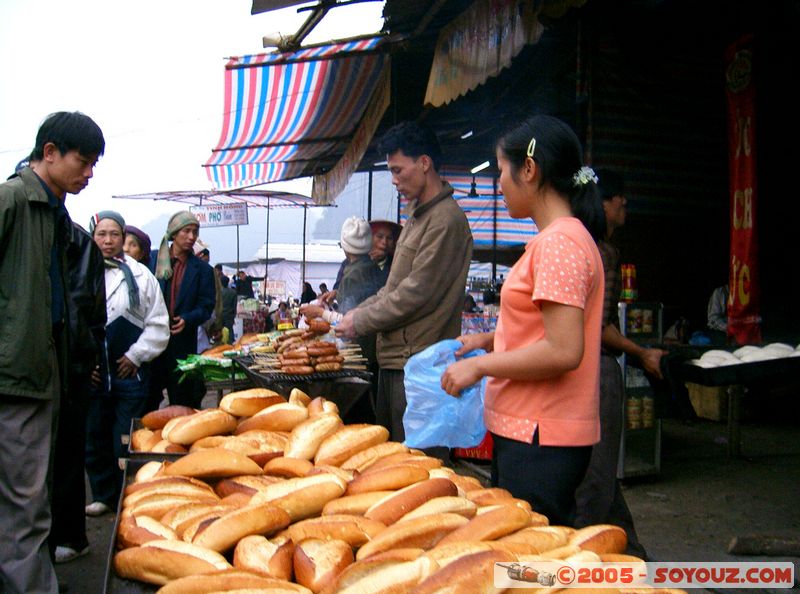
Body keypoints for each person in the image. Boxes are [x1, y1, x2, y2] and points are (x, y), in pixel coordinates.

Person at [440, 115, 605, 526]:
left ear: (529, 169)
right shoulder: (559, 240)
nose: (498, 183)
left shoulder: (560, 244)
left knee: (530, 553)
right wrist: (488, 340)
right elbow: (544, 329)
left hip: (540, 435)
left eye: (500, 171)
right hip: (534, 431)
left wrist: (480, 366)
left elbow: (563, 350)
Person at [0, 111, 104, 594]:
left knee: (30, 496)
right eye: (83, 161)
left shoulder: (55, 213)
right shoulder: (13, 201)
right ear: (49, 153)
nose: (89, 173)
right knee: (25, 502)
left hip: (46, 374)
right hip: (16, 377)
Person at [333, 121, 473, 449]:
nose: (394, 180)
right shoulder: (417, 219)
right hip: (398, 362)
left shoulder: (445, 221)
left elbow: (415, 294)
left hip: (420, 367)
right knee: (392, 459)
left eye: (398, 170)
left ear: (424, 163)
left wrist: (359, 320)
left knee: (420, 463)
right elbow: (392, 289)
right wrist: (350, 316)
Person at [573, 169, 665, 556]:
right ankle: (594, 556)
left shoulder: (581, 246)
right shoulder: (603, 252)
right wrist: (641, 352)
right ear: (601, 203)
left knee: (598, 472)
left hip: (585, 372)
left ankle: (628, 553)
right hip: (598, 373)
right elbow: (600, 327)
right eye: (617, 198)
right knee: (597, 476)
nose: (624, 203)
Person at [84, 211, 169, 518]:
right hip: (94, 374)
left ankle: (129, 495)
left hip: (130, 375)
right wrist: (84, 362)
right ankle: (103, 495)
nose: (108, 241)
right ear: (92, 237)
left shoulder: (141, 276)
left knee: (126, 436)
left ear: (123, 237)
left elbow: (158, 324)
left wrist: (135, 355)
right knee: (95, 436)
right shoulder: (81, 271)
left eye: (114, 234)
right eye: (101, 234)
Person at [50, 220, 106, 565]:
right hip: (45, 363)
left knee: (69, 455)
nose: (110, 240)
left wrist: (88, 359)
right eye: (105, 233)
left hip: (72, 366)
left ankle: (70, 536)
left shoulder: (79, 244)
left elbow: (91, 315)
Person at [145, 211, 216, 411]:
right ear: (174, 233)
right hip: (151, 342)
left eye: (195, 232)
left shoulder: (202, 270)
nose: (192, 237)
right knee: (147, 402)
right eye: (186, 231)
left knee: (183, 403)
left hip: (182, 345)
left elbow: (206, 306)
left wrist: (187, 319)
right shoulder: (151, 260)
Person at [219, 274, 238, 342]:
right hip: (229, 315)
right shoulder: (233, 292)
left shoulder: (218, 292)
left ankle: (221, 344)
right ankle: (230, 344)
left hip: (220, 315)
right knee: (230, 330)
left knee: (220, 331)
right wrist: (233, 315)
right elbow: (234, 306)